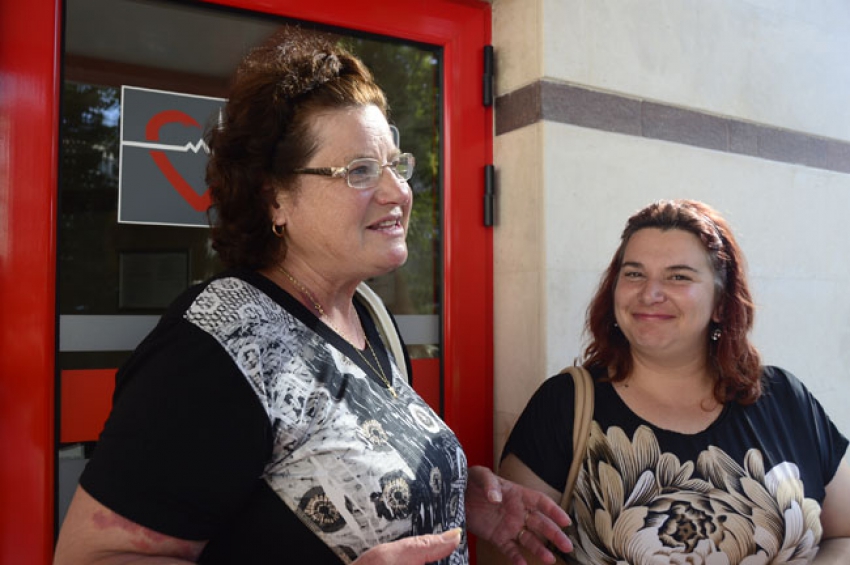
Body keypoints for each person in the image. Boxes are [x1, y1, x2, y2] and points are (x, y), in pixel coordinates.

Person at [53, 27, 572, 565]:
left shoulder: (368, 317)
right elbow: (92, 558)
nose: (397, 192)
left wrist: (446, 495)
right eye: (360, 171)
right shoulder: (220, 341)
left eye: (396, 165)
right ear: (274, 198)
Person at [496, 199, 850, 564]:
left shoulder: (785, 398)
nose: (650, 294)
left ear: (721, 303)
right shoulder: (564, 406)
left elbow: (845, 533)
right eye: (634, 274)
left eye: (678, 276)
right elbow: (513, 555)